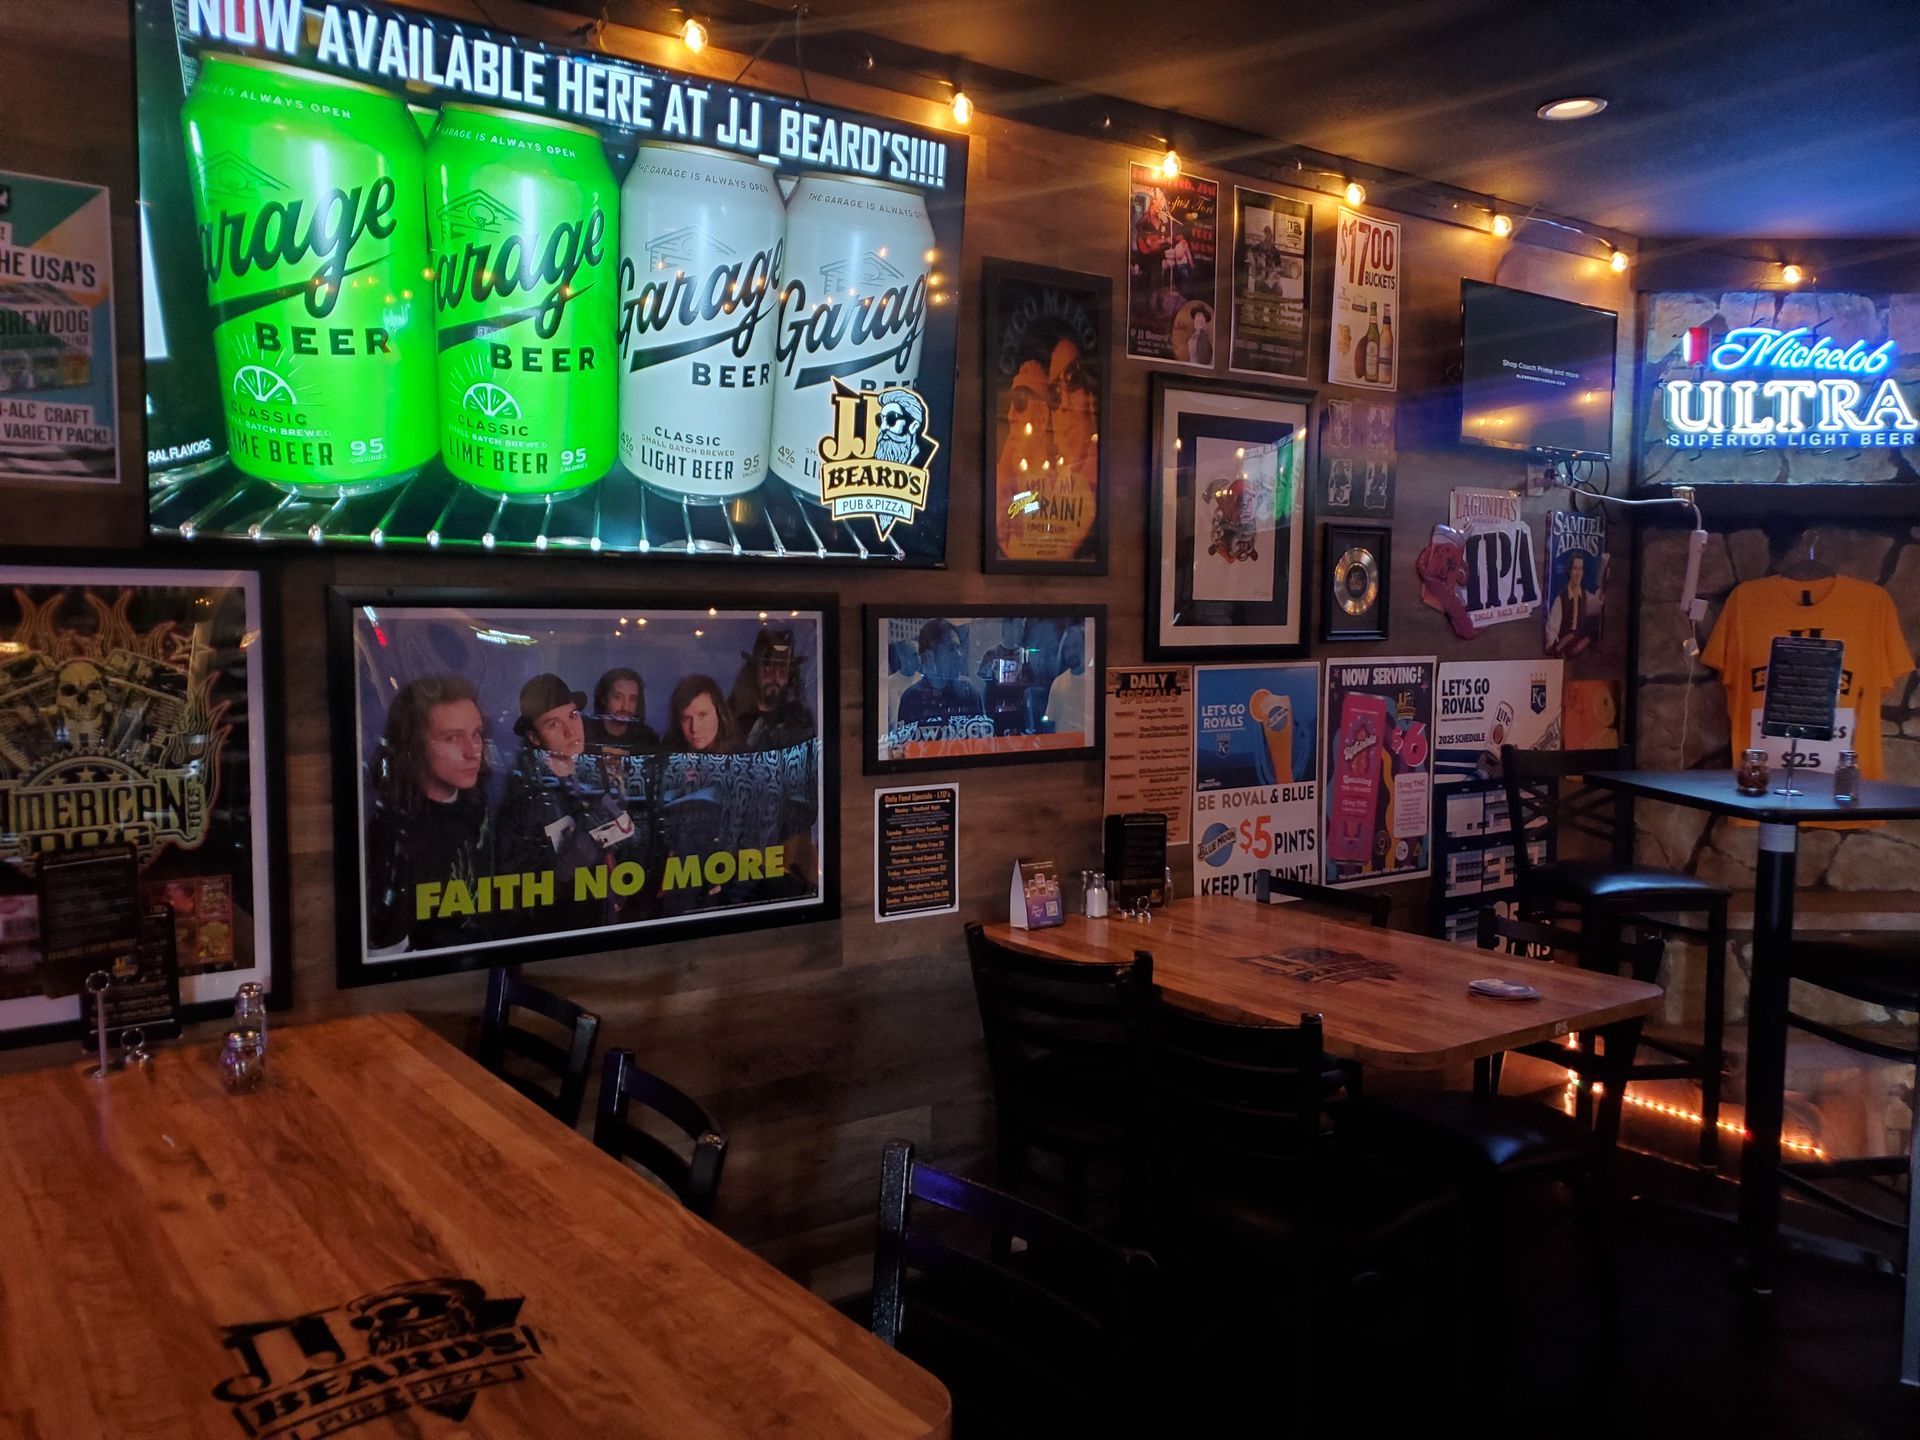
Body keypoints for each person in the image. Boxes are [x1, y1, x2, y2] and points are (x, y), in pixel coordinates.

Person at [494, 673, 639, 934]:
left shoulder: (595, 771)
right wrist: (565, 868)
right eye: (553, 724)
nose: (570, 730)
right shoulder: (522, 797)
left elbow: (619, 841)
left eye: (573, 716)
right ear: (535, 737)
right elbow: (513, 897)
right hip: (558, 939)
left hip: (603, 924)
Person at [363, 675, 495, 954]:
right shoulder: (392, 831)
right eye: (452, 737)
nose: (473, 751)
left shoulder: (484, 802)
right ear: (413, 745)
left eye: (476, 734)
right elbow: (386, 946)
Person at [733, 628, 816, 752]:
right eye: (767, 667)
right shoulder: (734, 719)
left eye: (782, 669)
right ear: (755, 670)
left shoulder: (800, 721)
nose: (775, 676)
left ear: (789, 674)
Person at [895, 620, 985, 733]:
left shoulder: (970, 693)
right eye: (951, 648)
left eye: (959, 647)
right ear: (929, 656)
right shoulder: (911, 699)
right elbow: (904, 748)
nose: (959, 654)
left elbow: (982, 743)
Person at [586, 667, 658, 753]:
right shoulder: (585, 734)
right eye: (618, 697)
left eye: (632, 699)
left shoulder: (647, 738)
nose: (625, 707)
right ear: (604, 699)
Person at [1546, 552, 1602, 658]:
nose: (1578, 573)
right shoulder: (1560, 600)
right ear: (1569, 571)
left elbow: (1599, 607)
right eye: (1575, 568)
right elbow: (1551, 630)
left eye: (1580, 569)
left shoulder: (1587, 596)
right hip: (1564, 648)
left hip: (1580, 647)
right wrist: (1556, 646)